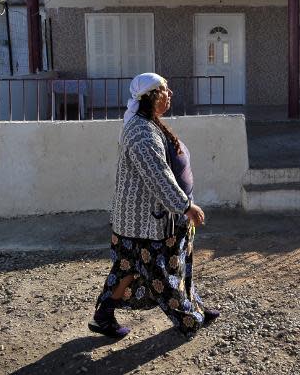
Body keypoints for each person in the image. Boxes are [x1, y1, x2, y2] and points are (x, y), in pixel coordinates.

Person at [89, 73, 220, 338]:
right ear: (151, 96)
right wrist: (185, 206)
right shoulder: (140, 132)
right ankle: (189, 318)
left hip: (151, 219)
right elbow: (158, 175)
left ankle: (105, 317)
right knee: (162, 273)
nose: (170, 93)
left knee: (138, 267)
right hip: (143, 222)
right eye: (165, 90)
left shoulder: (148, 123)